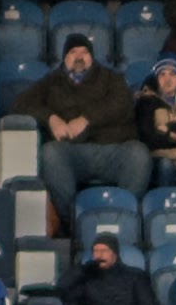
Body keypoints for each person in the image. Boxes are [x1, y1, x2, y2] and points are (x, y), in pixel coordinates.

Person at [13, 33, 149, 218]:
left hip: (113, 149)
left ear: (91, 57)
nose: (79, 57)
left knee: (139, 154)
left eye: (84, 52)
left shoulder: (111, 78)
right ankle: (72, 224)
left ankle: (125, 218)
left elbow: (123, 103)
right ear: (64, 58)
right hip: (73, 152)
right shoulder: (52, 81)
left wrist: (87, 119)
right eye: (72, 52)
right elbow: (20, 104)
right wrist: (51, 118)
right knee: (50, 153)